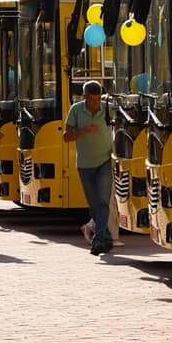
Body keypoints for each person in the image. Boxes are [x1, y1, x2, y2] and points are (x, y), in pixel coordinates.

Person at [64, 80, 114, 255]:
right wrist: (83, 131)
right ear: (85, 97)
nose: (96, 103)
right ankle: (106, 238)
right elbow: (66, 137)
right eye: (92, 100)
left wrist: (115, 150)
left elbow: (121, 127)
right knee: (93, 205)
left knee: (103, 202)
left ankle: (98, 240)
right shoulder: (76, 110)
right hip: (85, 164)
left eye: (98, 99)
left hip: (105, 162)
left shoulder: (109, 108)